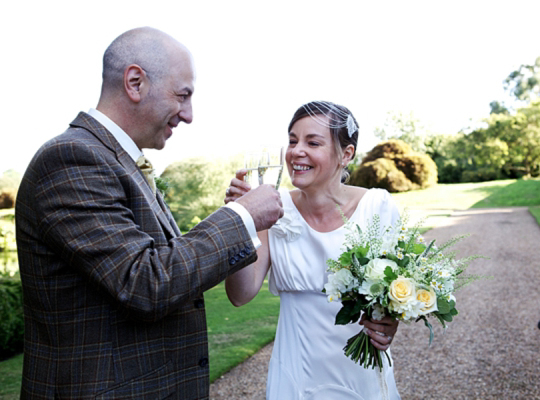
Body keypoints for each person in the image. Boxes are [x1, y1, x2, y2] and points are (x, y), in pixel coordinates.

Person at [15, 27, 283, 400]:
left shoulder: (116, 161)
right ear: (135, 82)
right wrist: (241, 217)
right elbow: (145, 282)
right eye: (183, 95)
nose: (188, 115)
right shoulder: (72, 159)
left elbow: (157, 263)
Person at [224, 101, 402, 399]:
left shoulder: (379, 207)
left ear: (346, 154)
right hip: (295, 375)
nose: (296, 151)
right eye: (292, 140)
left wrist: (389, 322)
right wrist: (241, 220)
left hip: (360, 374)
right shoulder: (271, 209)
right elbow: (240, 295)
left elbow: (395, 291)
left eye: (312, 142)